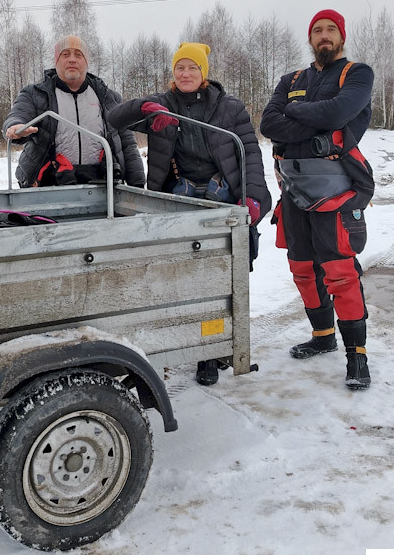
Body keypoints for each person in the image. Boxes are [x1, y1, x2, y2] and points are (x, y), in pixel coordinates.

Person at [106, 42, 271, 386]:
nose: (185, 74)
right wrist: (144, 107)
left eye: (192, 68)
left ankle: (211, 353)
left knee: (219, 275)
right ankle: (192, 345)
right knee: (182, 277)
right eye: (180, 68)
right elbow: (115, 118)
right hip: (177, 197)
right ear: (172, 73)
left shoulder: (230, 109)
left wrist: (254, 199)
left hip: (220, 198)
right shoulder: (162, 106)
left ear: (204, 73)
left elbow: (250, 156)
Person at [259, 9, 375, 389]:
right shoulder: (290, 79)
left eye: (330, 30)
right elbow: (269, 123)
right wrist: (317, 123)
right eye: (317, 31)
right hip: (292, 190)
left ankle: (357, 355)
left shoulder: (356, 74)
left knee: (340, 272)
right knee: (302, 268)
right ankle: (323, 335)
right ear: (310, 38)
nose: (324, 36)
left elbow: (341, 111)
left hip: (336, 191)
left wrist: (295, 112)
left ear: (341, 36)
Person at [3, 35, 145, 188]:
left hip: (102, 186)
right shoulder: (35, 94)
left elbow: (127, 144)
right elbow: (18, 115)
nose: (72, 59)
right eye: (65, 54)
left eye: (78, 54)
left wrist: (136, 186)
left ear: (86, 62)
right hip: (49, 184)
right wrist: (16, 127)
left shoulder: (108, 97)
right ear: (57, 61)